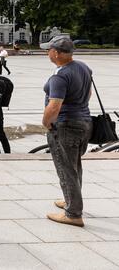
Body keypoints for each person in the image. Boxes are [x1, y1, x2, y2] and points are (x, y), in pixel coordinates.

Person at [42, 37, 93, 227]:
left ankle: (73, 214)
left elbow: (54, 106)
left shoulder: (60, 77)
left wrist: (46, 122)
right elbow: (88, 93)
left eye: (49, 50)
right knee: (74, 166)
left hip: (66, 125)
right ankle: (70, 200)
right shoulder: (82, 67)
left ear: (56, 53)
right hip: (84, 122)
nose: (47, 53)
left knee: (66, 168)